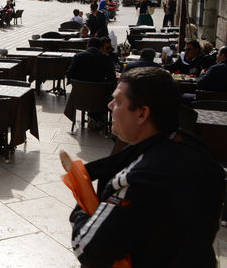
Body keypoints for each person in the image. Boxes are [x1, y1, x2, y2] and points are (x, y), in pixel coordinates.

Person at [69, 67, 224, 266]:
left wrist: (83, 208)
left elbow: (87, 248)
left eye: (118, 101)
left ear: (142, 114)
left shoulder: (139, 178)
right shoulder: (199, 151)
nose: (110, 105)